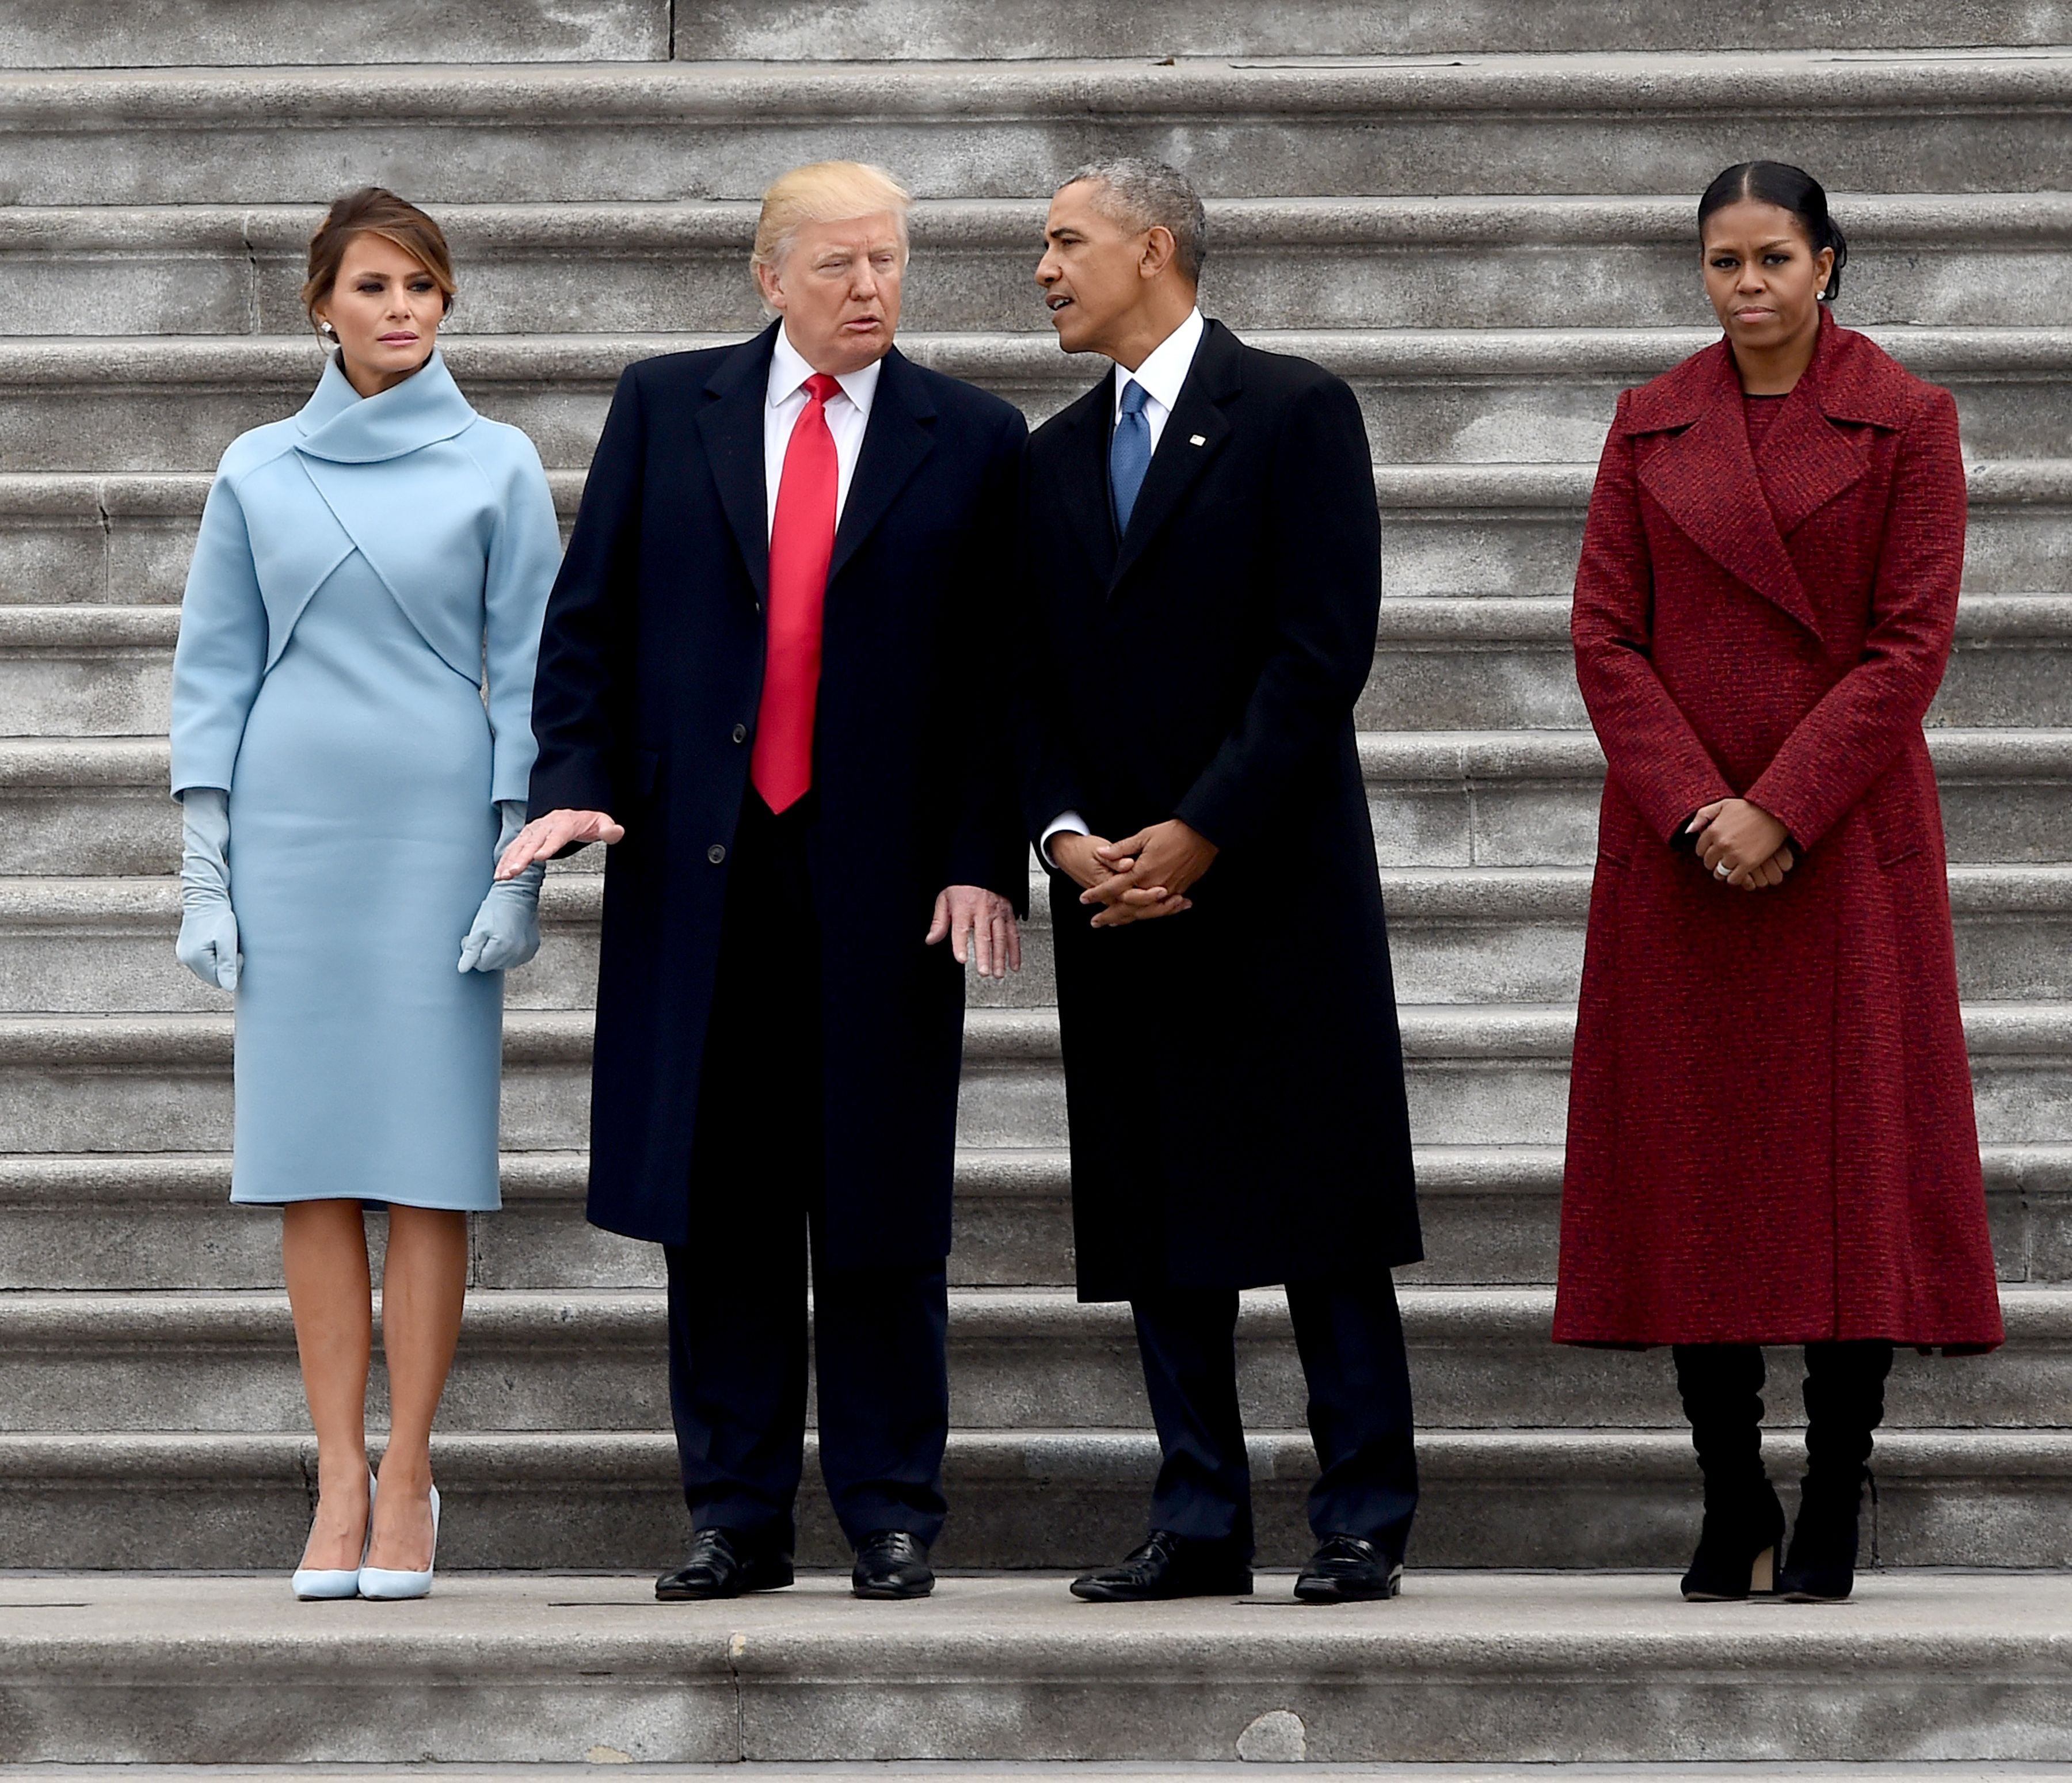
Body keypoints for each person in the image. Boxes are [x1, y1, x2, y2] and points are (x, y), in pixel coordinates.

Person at [498, 161, 1027, 1603]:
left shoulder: (971, 435)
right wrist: (572, 784)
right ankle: (734, 1512)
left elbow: (1003, 678)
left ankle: (890, 1509)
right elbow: (588, 622)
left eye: (894, 263)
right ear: (769, 276)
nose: (874, 289)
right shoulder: (669, 406)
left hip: (889, 880)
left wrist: (988, 858)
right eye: (844, 265)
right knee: (718, 1201)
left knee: (879, 1200)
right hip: (698, 866)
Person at [1553, 161, 2005, 1604]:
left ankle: (1834, 1483)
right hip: (1682, 855)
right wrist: (1699, 806)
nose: (1746, 286)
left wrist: (1783, 808)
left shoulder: (1910, 418)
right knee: (1696, 1171)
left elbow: (1907, 646)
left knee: (1847, 1171)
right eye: (1722, 262)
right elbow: (1604, 637)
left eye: (1772, 259)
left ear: (1828, 265)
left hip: (1840, 848)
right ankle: (1731, 1486)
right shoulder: (1649, 418)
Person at [1015, 159, 1422, 1605]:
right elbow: (1030, 683)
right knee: (1157, 1214)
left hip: (1272, 880)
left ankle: (1363, 1507)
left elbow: (1322, 649)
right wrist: (1068, 836)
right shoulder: (1051, 455)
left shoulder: (1298, 410)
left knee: (1322, 1207)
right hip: (1115, 893)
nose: (1046, 268)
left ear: (1155, 245)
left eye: (1067, 242)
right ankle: (1199, 1516)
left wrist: (1199, 832)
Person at [169, 187, 560, 1601]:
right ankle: (336, 1474)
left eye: (427, 288)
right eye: (379, 286)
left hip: (436, 831)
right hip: (294, 834)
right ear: (321, 304)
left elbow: (529, 672)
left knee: (424, 1164)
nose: (405, 310)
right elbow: (213, 669)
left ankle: (411, 1473)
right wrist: (206, 868)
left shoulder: (499, 462)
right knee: (310, 1163)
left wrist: (520, 861)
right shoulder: (257, 469)